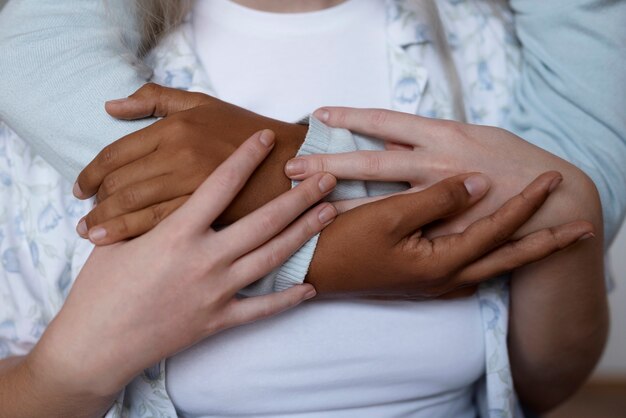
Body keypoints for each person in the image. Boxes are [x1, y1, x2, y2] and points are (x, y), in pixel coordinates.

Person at [0, 0, 622, 416]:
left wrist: (285, 178)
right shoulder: (57, 105)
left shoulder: (484, 51)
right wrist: (331, 252)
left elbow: (542, 380)